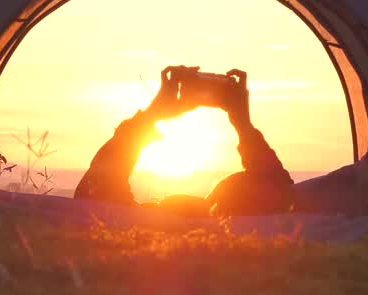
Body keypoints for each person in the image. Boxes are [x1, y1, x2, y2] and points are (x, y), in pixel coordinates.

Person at [73, 66, 296, 218]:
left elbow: (94, 191)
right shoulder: (261, 225)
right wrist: (242, 122)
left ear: (217, 208)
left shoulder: (141, 223)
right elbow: (281, 191)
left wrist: (152, 114)